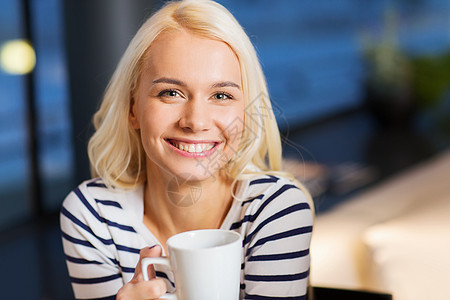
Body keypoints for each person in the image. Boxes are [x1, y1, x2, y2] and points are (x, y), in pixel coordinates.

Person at [60, 0, 314, 299]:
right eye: (170, 92)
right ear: (132, 108)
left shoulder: (275, 210)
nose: (195, 121)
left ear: (245, 113)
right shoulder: (92, 215)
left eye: (221, 95)